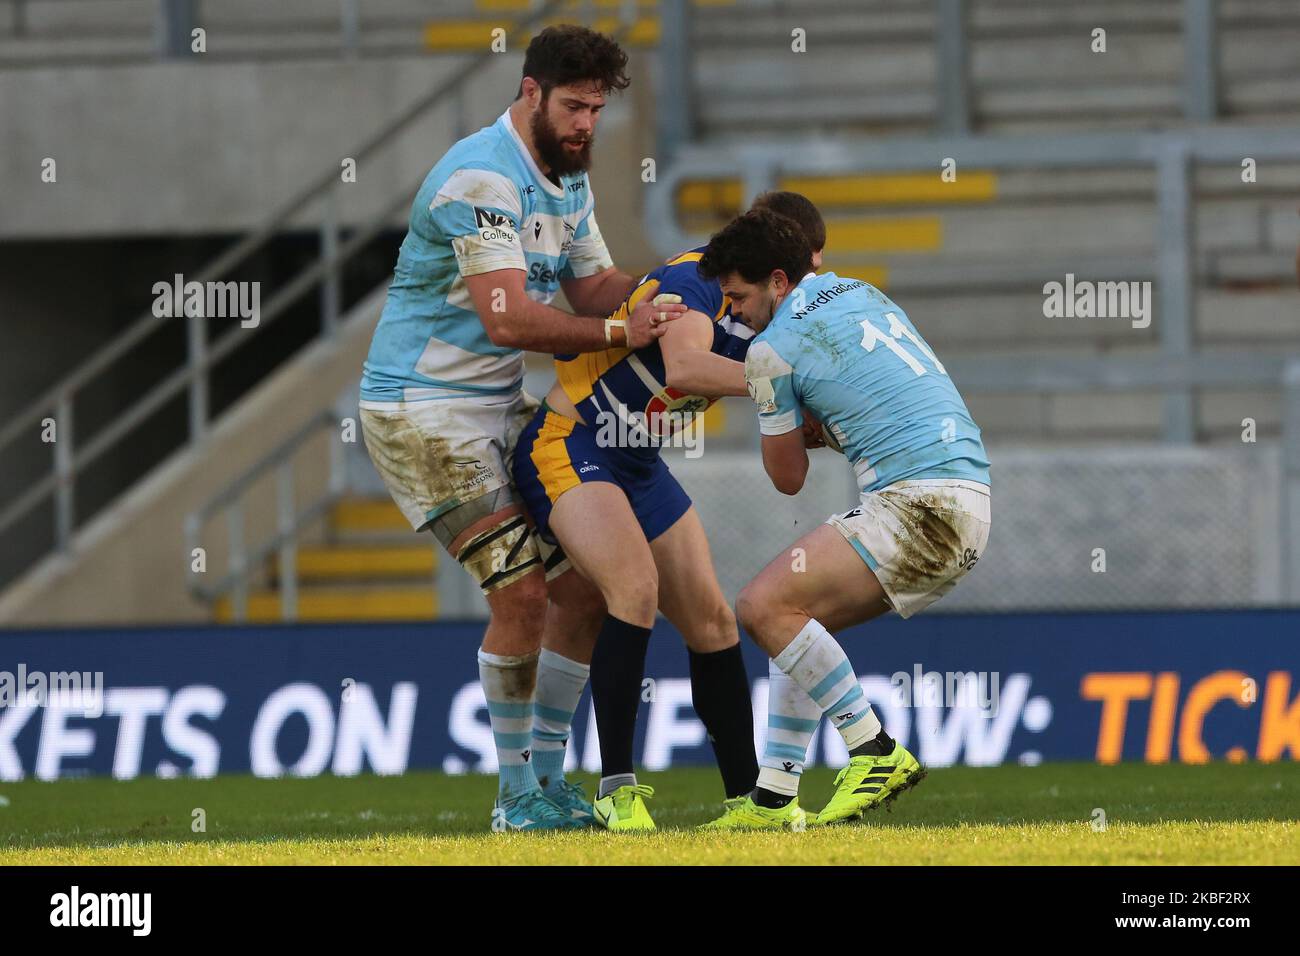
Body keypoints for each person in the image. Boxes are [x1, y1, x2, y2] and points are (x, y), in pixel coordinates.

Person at [358, 25, 687, 831]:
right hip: (421, 412)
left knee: (584, 589)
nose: (586, 125)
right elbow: (508, 321)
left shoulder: (567, 179)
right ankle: (513, 801)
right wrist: (623, 335)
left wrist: (684, 289)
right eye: (574, 106)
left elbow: (594, 285)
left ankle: (547, 783)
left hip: (495, 409)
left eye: (598, 110)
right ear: (531, 93)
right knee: (525, 591)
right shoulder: (480, 177)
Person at [512, 195, 829, 831]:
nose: (809, 281)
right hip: (570, 442)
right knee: (632, 589)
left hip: (637, 462)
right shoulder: (697, 281)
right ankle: (617, 790)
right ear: (776, 261)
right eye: (806, 266)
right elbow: (684, 364)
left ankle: (747, 803)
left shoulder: (767, 309)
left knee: (713, 620)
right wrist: (780, 384)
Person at [697, 208, 992, 825]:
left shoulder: (770, 351)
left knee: (760, 607)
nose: (732, 314)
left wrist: (775, 409)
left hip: (919, 506)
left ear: (778, 281)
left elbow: (786, 478)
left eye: (737, 297)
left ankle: (873, 749)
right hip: (967, 495)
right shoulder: (860, 291)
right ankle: (775, 799)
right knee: (797, 624)